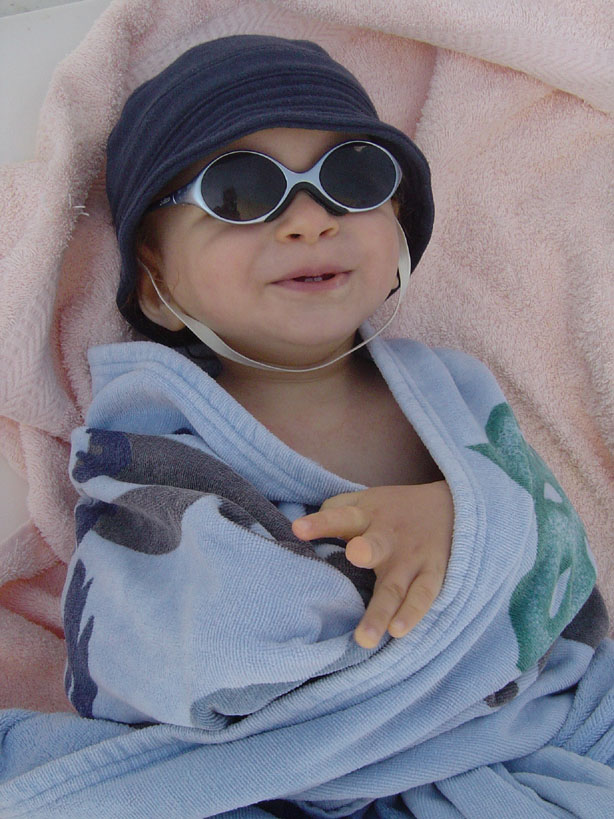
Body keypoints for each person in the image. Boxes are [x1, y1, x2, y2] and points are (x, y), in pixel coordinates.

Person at [37, 33, 612, 815]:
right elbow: (161, 643)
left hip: (525, 730)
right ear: (155, 279)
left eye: (352, 178)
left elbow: (554, 553)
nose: (310, 220)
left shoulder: (453, 386)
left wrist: (465, 521)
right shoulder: (149, 444)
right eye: (240, 191)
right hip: (283, 774)